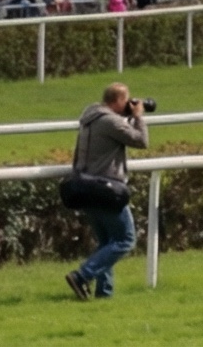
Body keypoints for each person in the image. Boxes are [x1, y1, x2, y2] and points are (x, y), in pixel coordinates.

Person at [65, 81, 148, 300]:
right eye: (127, 100)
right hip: (106, 190)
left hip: (85, 186)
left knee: (106, 244)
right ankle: (82, 275)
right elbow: (141, 141)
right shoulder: (110, 121)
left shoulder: (89, 118)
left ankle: (105, 293)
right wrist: (138, 116)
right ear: (119, 101)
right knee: (125, 240)